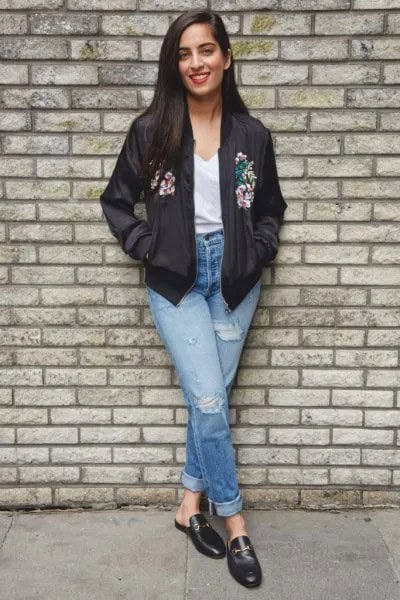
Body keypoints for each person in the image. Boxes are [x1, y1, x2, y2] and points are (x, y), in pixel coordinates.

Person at [100, 8, 287, 589]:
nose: (195, 63)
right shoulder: (153, 130)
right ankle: (235, 523)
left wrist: (257, 251)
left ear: (226, 58)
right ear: (174, 63)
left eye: (205, 50)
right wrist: (150, 246)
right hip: (176, 282)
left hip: (234, 282)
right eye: (183, 54)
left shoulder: (252, 137)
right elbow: (115, 203)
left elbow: (270, 210)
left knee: (211, 397)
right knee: (209, 402)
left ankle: (188, 503)